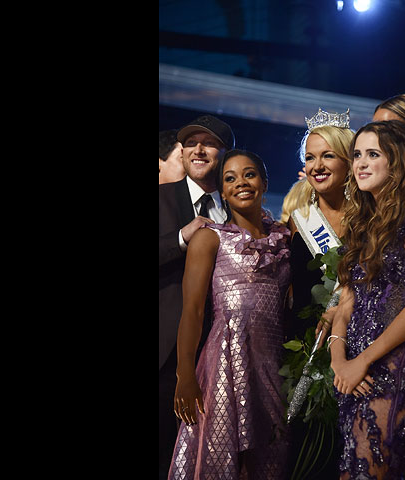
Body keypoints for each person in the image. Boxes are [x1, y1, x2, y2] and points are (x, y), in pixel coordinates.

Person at [328, 120, 405, 479]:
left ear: (395, 162)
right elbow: (346, 302)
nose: (361, 163)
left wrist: (362, 361)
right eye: (358, 155)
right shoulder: (360, 223)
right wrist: (339, 361)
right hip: (352, 370)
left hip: (396, 364)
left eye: (373, 154)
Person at [168, 149, 291, 479]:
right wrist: (185, 375)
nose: (241, 183)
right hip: (224, 362)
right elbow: (192, 311)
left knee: (269, 460)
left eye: (249, 175)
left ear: (264, 183)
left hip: (273, 365)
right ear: (221, 191)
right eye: (230, 178)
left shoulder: (285, 240)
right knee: (221, 459)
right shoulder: (210, 239)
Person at [159, 114, 234, 479]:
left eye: (208, 143)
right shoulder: (160, 198)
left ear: (224, 154)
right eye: (191, 143)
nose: (198, 150)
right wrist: (180, 238)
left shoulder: (235, 207)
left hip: (217, 358)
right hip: (164, 353)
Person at [282, 108, 354, 479]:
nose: (317, 165)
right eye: (310, 157)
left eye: (328, 155)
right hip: (302, 347)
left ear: (348, 160)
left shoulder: (370, 216)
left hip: (355, 345)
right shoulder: (297, 216)